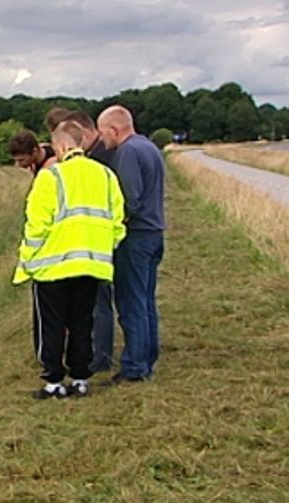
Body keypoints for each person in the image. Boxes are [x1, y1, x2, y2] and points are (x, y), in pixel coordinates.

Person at [13, 125, 126, 399]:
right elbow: (118, 223)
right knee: (82, 322)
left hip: (52, 268)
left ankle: (53, 381)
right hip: (90, 265)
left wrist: (26, 260)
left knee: (51, 326)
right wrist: (101, 248)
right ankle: (80, 378)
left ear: (60, 147)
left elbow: (36, 226)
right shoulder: (106, 175)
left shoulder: (51, 177)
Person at [96, 105, 165, 383]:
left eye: (103, 133)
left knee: (130, 302)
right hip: (154, 233)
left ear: (114, 129)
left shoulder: (126, 153)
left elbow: (129, 200)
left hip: (135, 237)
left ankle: (135, 366)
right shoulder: (149, 147)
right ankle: (147, 356)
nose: (103, 141)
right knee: (146, 300)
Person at [56, 112, 115, 373]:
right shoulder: (104, 168)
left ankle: (97, 359)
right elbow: (119, 212)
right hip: (99, 250)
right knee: (91, 309)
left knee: (94, 309)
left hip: (80, 253)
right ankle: (92, 359)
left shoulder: (59, 175)